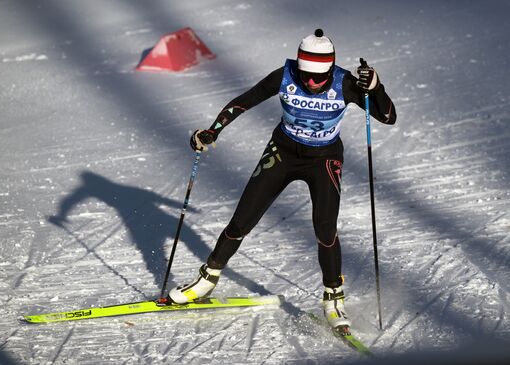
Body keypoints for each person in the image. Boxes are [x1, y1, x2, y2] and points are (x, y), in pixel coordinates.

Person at [168, 28, 396, 329]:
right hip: (283, 153)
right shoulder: (286, 75)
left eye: (319, 76)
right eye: (306, 75)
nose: (312, 82)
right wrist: (213, 130)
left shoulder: (346, 83)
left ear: (331, 67)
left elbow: (388, 117)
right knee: (241, 220)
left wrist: (376, 88)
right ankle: (207, 279)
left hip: (323, 159)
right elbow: (245, 100)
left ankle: (334, 297)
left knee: (325, 229)